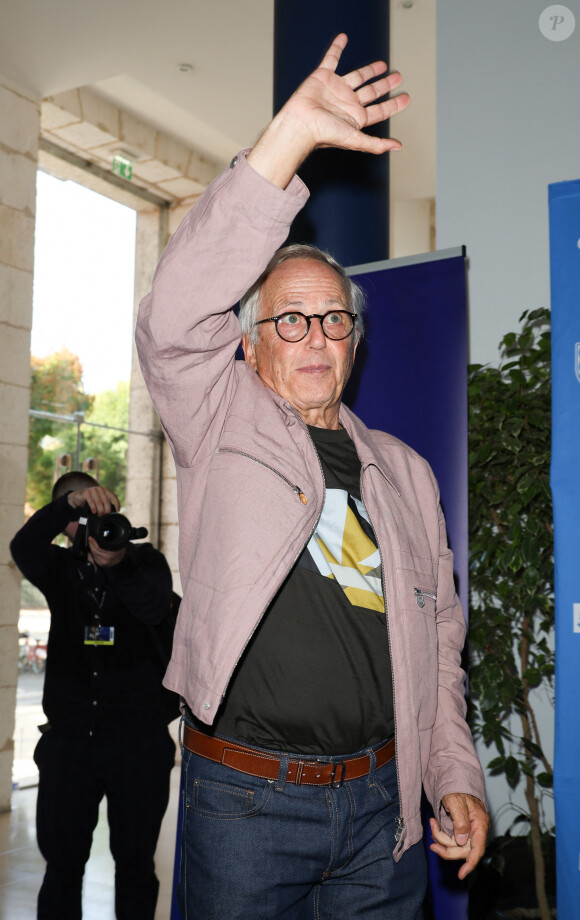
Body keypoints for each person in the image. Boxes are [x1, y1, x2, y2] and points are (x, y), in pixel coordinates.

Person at [135, 32, 489, 919]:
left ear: (357, 343)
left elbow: (438, 642)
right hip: (248, 806)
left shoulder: (405, 474)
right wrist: (287, 139)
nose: (316, 338)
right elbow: (175, 314)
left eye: (333, 320)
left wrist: (453, 773)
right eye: (288, 322)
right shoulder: (216, 421)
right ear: (249, 348)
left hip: (384, 812)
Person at [10, 471, 177, 920]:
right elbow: (21, 547)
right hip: (69, 747)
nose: (89, 523)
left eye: (94, 509)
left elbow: (151, 607)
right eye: (75, 512)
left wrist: (116, 563)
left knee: (137, 867)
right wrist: (69, 506)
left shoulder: (145, 560)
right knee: (62, 869)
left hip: (138, 745)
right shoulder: (59, 569)